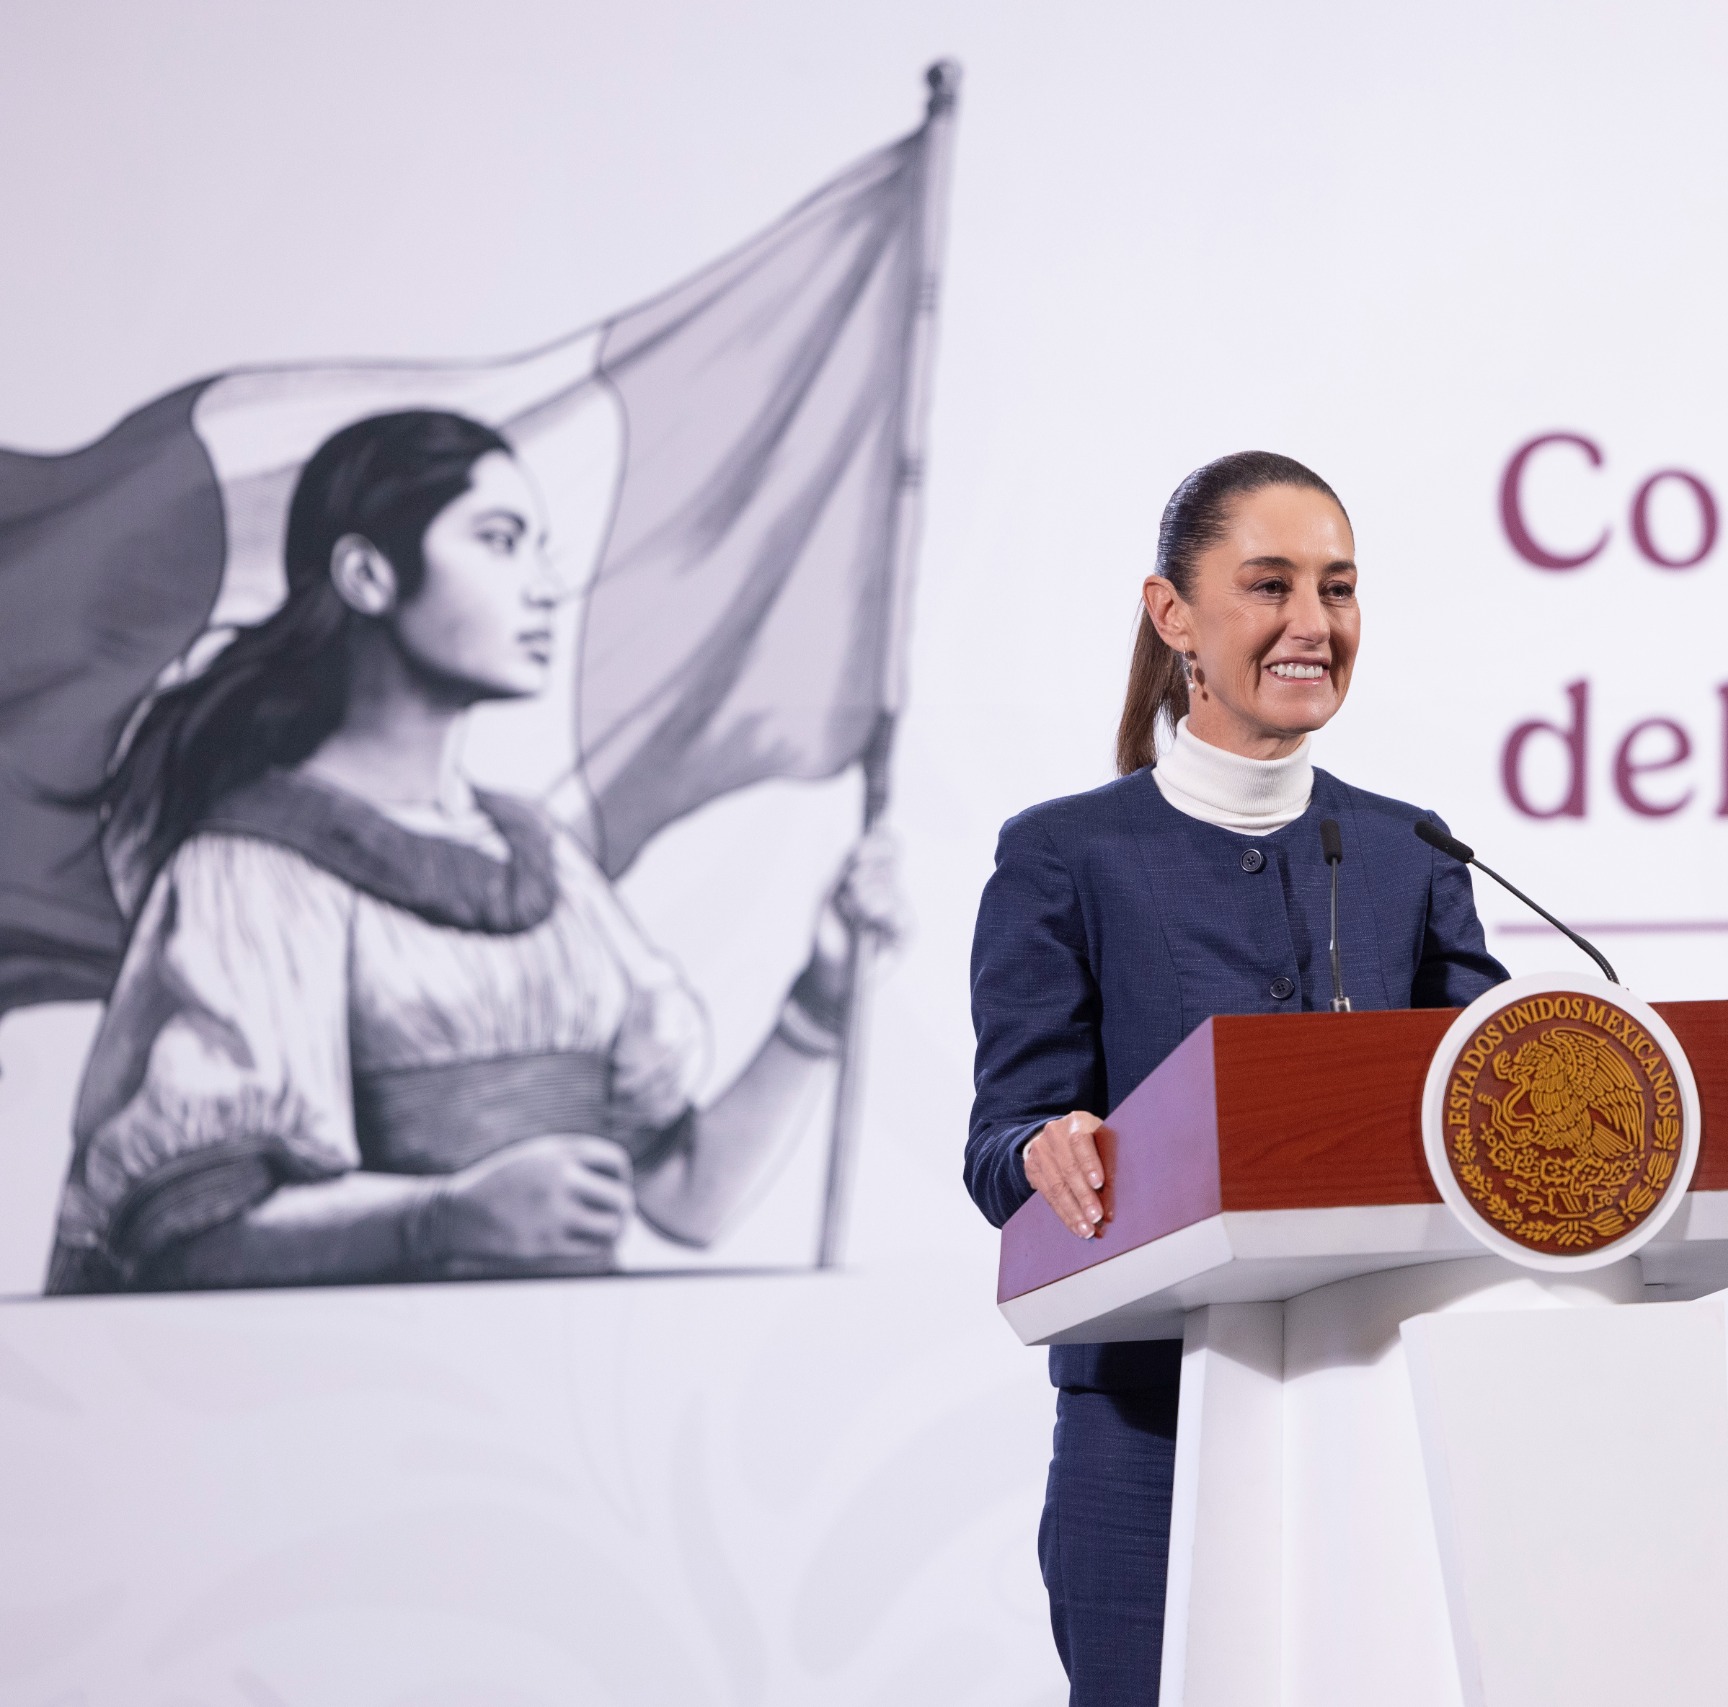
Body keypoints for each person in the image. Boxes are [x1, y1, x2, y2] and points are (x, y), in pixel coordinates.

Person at [48, 409, 889, 1293]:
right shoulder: (250, 871)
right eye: (499, 540)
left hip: (562, 1400)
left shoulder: (549, 865)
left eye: (538, 546)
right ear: (368, 574)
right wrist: (441, 1216)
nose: (543, 586)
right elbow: (189, 1240)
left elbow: (688, 1198)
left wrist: (822, 998)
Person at [964, 451, 1508, 1705]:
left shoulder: (1411, 852)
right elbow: (1001, 1146)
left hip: (1385, 1405)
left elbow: (1490, 1101)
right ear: (1175, 618)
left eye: (1339, 587)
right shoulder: (1064, 857)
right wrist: (1044, 1150)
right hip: (1146, 1430)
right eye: (1269, 586)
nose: (1313, 624)